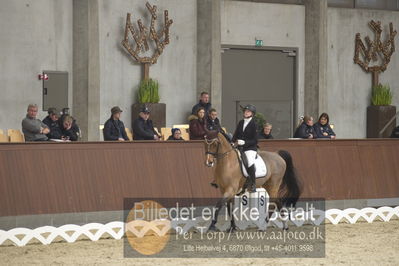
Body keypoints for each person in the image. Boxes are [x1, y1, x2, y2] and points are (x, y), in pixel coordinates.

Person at [232, 104, 258, 193]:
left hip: (250, 148)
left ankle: (253, 183)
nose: (246, 113)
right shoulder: (241, 122)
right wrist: (232, 142)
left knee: (250, 162)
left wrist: (245, 142)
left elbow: (255, 140)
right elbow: (235, 134)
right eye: (245, 111)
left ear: (252, 114)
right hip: (239, 147)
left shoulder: (254, 124)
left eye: (248, 112)